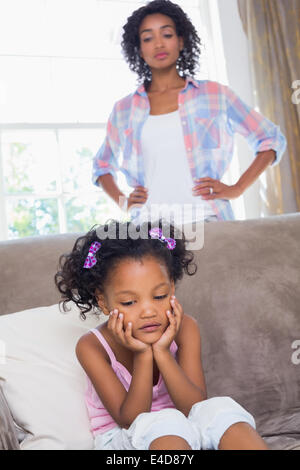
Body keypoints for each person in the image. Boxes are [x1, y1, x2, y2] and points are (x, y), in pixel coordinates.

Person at [55, 218, 268, 450]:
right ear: (103, 302)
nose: (148, 311)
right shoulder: (91, 347)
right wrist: (144, 354)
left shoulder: (185, 328)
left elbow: (194, 407)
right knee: (165, 422)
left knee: (218, 409)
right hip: (122, 440)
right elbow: (130, 419)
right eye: (129, 302)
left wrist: (162, 352)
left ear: (172, 290)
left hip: (183, 429)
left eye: (159, 296)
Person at [92, 0, 286, 224]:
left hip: (208, 221)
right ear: (139, 49)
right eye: (148, 38)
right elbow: (102, 166)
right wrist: (123, 201)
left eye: (166, 35)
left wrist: (237, 188)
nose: (158, 44)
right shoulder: (124, 109)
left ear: (181, 41)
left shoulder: (215, 95)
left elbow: (271, 138)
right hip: (149, 230)